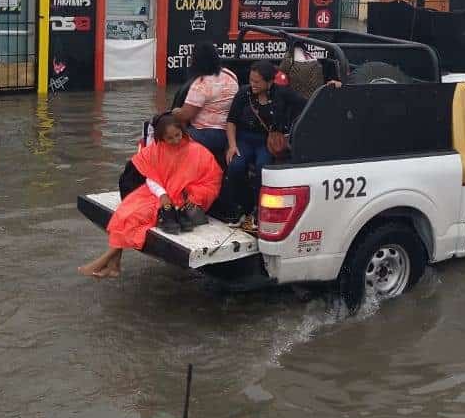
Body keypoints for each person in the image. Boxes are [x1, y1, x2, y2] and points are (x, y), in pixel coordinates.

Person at [78, 113, 223, 279]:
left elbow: (211, 181)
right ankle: (113, 264)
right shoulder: (155, 149)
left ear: (183, 131)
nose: (175, 140)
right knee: (123, 212)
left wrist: (190, 193)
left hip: (181, 199)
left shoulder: (198, 152)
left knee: (135, 217)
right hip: (158, 194)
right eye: (170, 138)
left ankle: (107, 262)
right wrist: (162, 194)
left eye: (178, 135)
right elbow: (151, 176)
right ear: (161, 138)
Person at [224, 61, 339, 227]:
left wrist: (330, 88)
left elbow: (308, 105)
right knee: (235, 166)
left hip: (267, 141)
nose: (253, 85)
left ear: (269, 82)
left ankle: (258, 210)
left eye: (257, 82)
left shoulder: (282, 94)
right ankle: (241, 208)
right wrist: (232, 145)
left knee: (262, 167)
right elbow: (231, 121)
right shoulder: (244, 93)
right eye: (251, 80)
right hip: (245, 139)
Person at [172, 42, 238, 165]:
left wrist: (175, 112)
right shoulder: (231, 75)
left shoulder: (200, 84)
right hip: (229, 132)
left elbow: (185, 115)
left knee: (170, 134)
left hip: (205, 134)